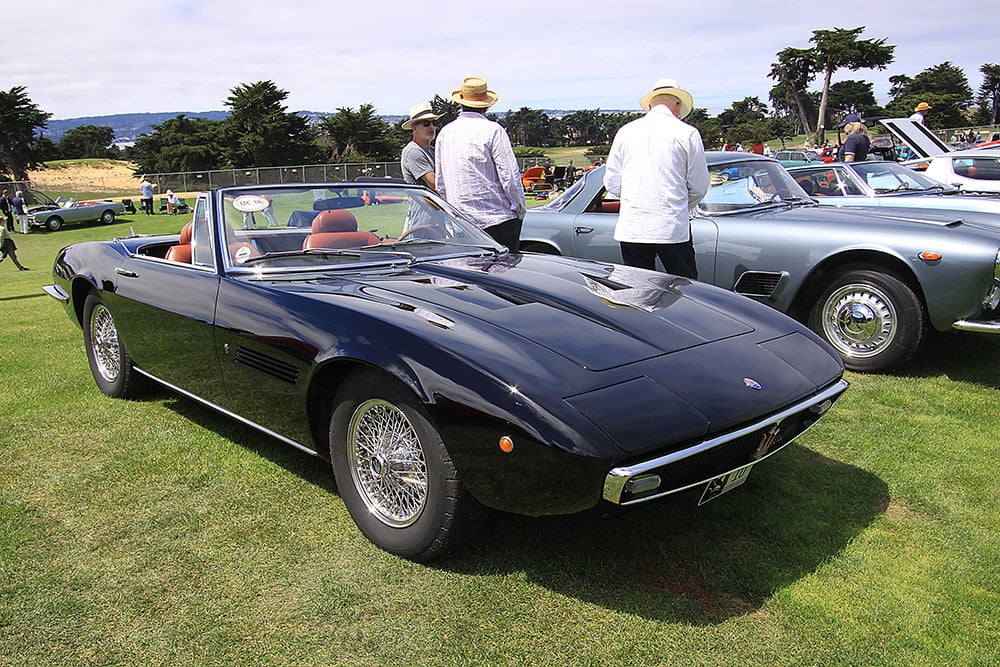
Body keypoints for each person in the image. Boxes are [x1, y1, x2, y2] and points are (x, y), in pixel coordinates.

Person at [603, 78, 709, 279]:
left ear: (650, 105)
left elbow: (612, 182)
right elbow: (699, 186)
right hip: (672, 226)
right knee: (685, 292)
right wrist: (680, 204)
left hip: (633, 227)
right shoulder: (687, 133)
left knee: (637, 294)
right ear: (677, 106)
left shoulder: (626, 132)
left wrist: (638, 196)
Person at [435, 76, 525, 251]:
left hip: (462, 224)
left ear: (461, 102)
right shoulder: (493, 130)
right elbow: (510, 177)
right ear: (487, 104)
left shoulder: (445, 133)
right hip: (497, 220)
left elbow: (441, 184)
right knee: (503, 276)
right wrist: (519, 210)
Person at [400, 102, 441, 189]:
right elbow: (435, 184)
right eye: (426, 123)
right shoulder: (413, 151)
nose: (431, 127)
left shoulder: (432, 150)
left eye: (434, 123)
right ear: (415, 128)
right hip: (423, 203)